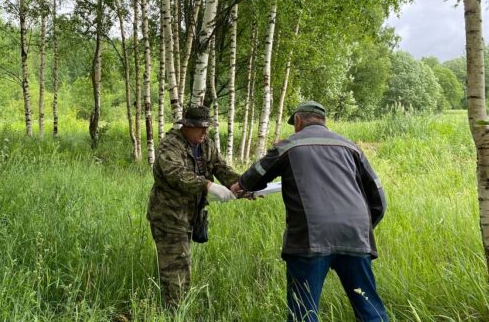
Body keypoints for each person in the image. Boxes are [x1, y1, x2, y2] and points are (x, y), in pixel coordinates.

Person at [232, 101, 388, 322]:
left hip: (311, 237)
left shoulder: (288, 145)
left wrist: (239, 185)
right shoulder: (352, 147)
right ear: (324, 121)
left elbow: (253, 177)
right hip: (355, 234)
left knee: (304, 311)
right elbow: (379, 198)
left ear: (298, 121)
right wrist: (363, 228)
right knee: (368, 306)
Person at [147, 105, 239, 308]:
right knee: (177, 267)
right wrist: (207, 185)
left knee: (181, 263)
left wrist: (240, 185)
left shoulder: (205, 144)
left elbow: (220, 167)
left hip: (191, 215)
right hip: (169, 215)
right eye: (200, 127)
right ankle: (175, 312)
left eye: (207, 127)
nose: (204, 132)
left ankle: (177, 308)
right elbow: (177, 174)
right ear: (186, 126)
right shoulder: (170, 146)